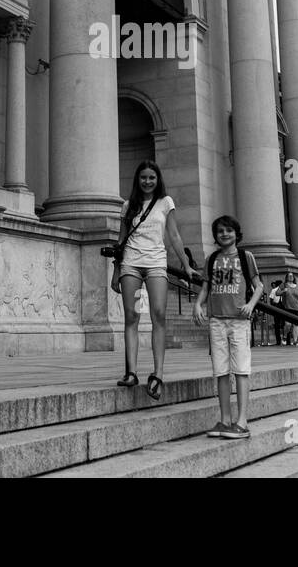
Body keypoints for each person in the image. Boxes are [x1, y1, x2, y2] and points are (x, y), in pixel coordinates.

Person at [112, 160, 199, 399]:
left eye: (151, 177)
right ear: (137, 180)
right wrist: (115, 272)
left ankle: (158, 373)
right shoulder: (128, 205)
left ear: (157, 179)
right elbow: (120, 241)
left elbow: (173, 235)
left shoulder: (165, 202)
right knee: (131, 316)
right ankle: (131, 372)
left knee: (158, 314)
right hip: (130, 262)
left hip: (155, 263)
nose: (147, 181)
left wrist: (186, 265)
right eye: (143, 177)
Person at [194, 215, 263, 439]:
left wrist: (251, 304)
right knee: (221, 372)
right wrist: (198, 304)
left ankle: (242, 421)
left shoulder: (246, 256)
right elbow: (205, 287)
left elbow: (259, 285)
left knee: (241, 370)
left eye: (229, 230)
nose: (225, 234)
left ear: (236, 233)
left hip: (239, 321)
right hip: (216, 321)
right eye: (220, 231)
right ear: (215, 235)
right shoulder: (212, 258)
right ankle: (225, 419)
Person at [280, 275, 298, 346]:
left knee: (296, 325)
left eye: (292, 276)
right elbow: (277, 293)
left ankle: (295, 341)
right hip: (288, 308)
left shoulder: (297, 287)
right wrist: (283, 291)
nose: (291, 277)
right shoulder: (284, 285)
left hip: (297, 308)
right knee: (288, 324)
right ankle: (284, 337)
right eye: (289, 276)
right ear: (286, 277)